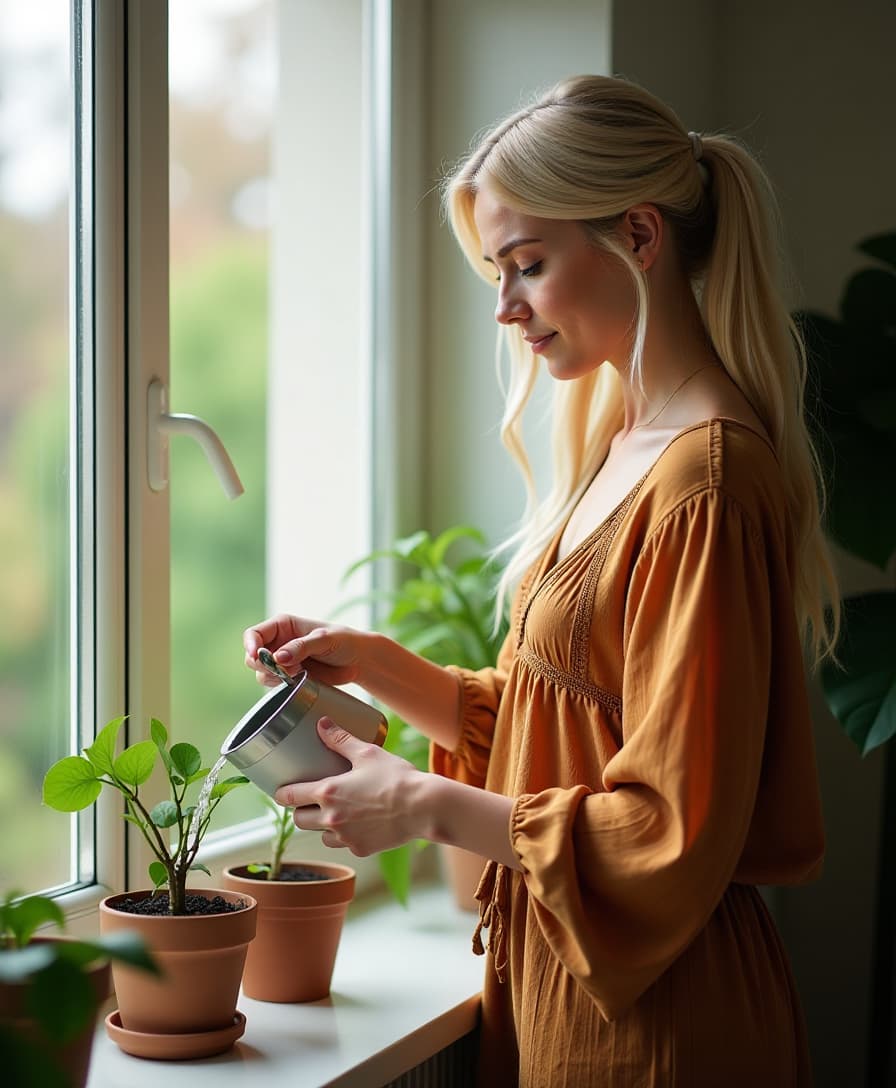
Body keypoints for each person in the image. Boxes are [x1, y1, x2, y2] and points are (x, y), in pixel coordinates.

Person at [243, 74, 839, 1087]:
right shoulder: (624, 441)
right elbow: (569, 724)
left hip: (659, 1020)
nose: (503, 308)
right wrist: (381, 665)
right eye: (494, 272)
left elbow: (665, 824)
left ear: (639, 238)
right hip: (572, 986)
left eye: (525, 265)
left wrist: (423, 803)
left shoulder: (706, 480)